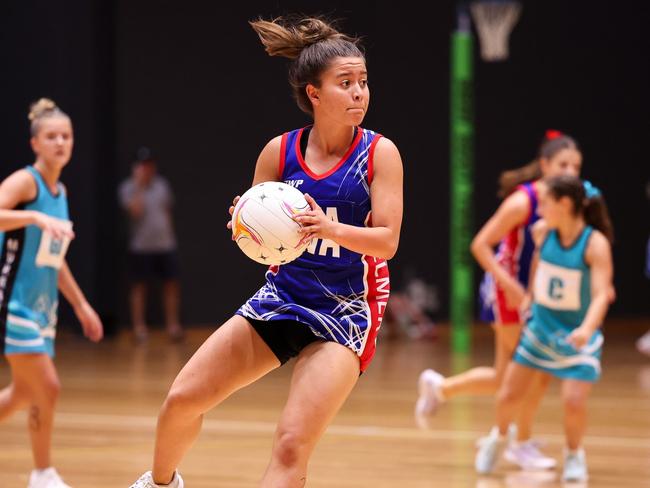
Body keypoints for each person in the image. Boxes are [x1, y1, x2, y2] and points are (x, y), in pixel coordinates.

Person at [129, 16, 403, 488]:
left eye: (363, 82)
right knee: (181, 400)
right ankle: (159, 483)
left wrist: (329, 227)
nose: (359, 92)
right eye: (346, 83)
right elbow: (257, 242)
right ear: (314, 94)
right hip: (284, 296)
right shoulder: (280, 151)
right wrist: (247, 221)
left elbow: (387, 241)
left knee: (291, 445)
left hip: (348, 311)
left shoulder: (380, 154)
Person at [416, 130, 583, 469]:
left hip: (531, 295)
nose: (570, 172)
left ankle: (440, 388)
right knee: (534, 368)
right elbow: (479, 244)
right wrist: (509, 285)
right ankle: (518, 442)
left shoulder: (567, 203)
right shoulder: (524, 201)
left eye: (576, 166)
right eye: (563, 164)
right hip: (504, 293)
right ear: (545, 165)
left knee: (505, 376)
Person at [475, 175, 614, 483]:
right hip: (541, 329)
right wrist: (530, 300)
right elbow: (539, 267)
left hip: (578, 335)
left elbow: (603, 293)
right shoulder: (543, 232)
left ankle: (575, 454)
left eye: (546, 203)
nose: (539, 210)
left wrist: (587, 329)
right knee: (508, 395)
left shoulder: (595, 244)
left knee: (573, 401)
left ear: (564, 204)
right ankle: (497, 439)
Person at [0, 98, 104, 488]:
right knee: (48, 387)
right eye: (51, 136)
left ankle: (41, 473)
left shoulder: (59, 192)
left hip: (43, 309)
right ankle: (42, 474)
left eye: (67, 136)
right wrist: (33, 215)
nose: (60, 142)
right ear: (35, 144)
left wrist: (82, 306)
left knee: (21, 395)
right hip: (13, 302)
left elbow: (54, 259)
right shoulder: (27, 182)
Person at [118, 148, 183, 342]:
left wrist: (170, 236)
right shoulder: (128, 188)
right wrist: (139, 185)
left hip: (165, 244)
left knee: (171, 285)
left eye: (149, 165)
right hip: (141, 247)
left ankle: (173, 327)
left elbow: (168, 212)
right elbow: (135, 211)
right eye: (143, 165)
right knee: (139, 287)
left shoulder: (162, 185)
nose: (147, 169)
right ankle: (140, 328)